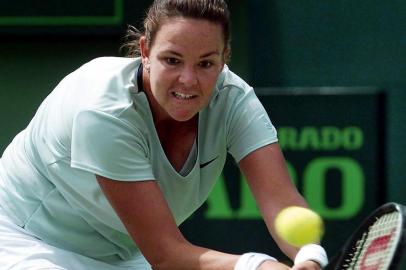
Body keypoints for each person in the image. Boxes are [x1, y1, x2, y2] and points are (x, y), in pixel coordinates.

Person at [0, 0, 328, 269]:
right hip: (29, 239)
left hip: (124, 253)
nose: (188, 80)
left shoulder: (233, 99)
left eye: (205, 64)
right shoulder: (103, 112)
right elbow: (166, 254)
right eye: (172, 60)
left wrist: (308, 257)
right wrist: (258, 266)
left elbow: (281, 202)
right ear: (144, 51)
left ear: (224, 56)